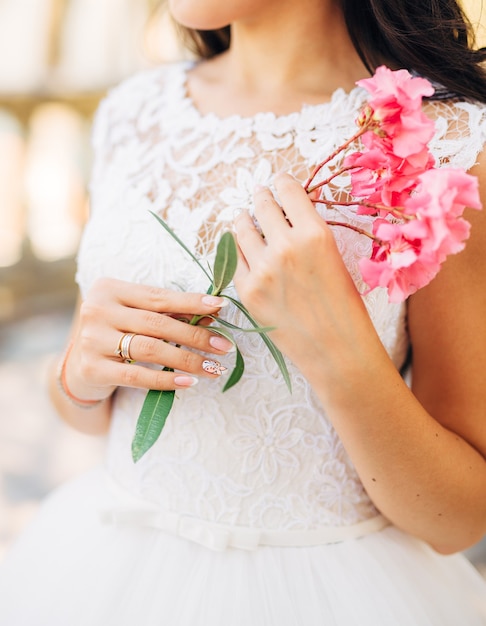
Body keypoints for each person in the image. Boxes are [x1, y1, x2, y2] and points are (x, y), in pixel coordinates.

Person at [1, 0, 486, 623]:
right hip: (104, 573)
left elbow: (459, 520)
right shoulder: (133, 111)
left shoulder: (445, 145)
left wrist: (338, 349)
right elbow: (85, 407)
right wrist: (77, 374)